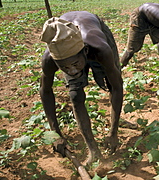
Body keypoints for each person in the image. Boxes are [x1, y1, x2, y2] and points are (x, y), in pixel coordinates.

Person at [39, 11, 123, 165]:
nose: (72, 71)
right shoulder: (50, 59)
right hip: (72, 52)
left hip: (93, 27)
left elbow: (118, 87)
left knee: (111, 83)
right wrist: (55, 133)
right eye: (64, 67)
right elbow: (45, 91)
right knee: (75, 96)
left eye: (75, 64)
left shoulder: (101, 49)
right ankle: (93, 150)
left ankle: (115, 123)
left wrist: (113, 132)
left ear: (85, 51)